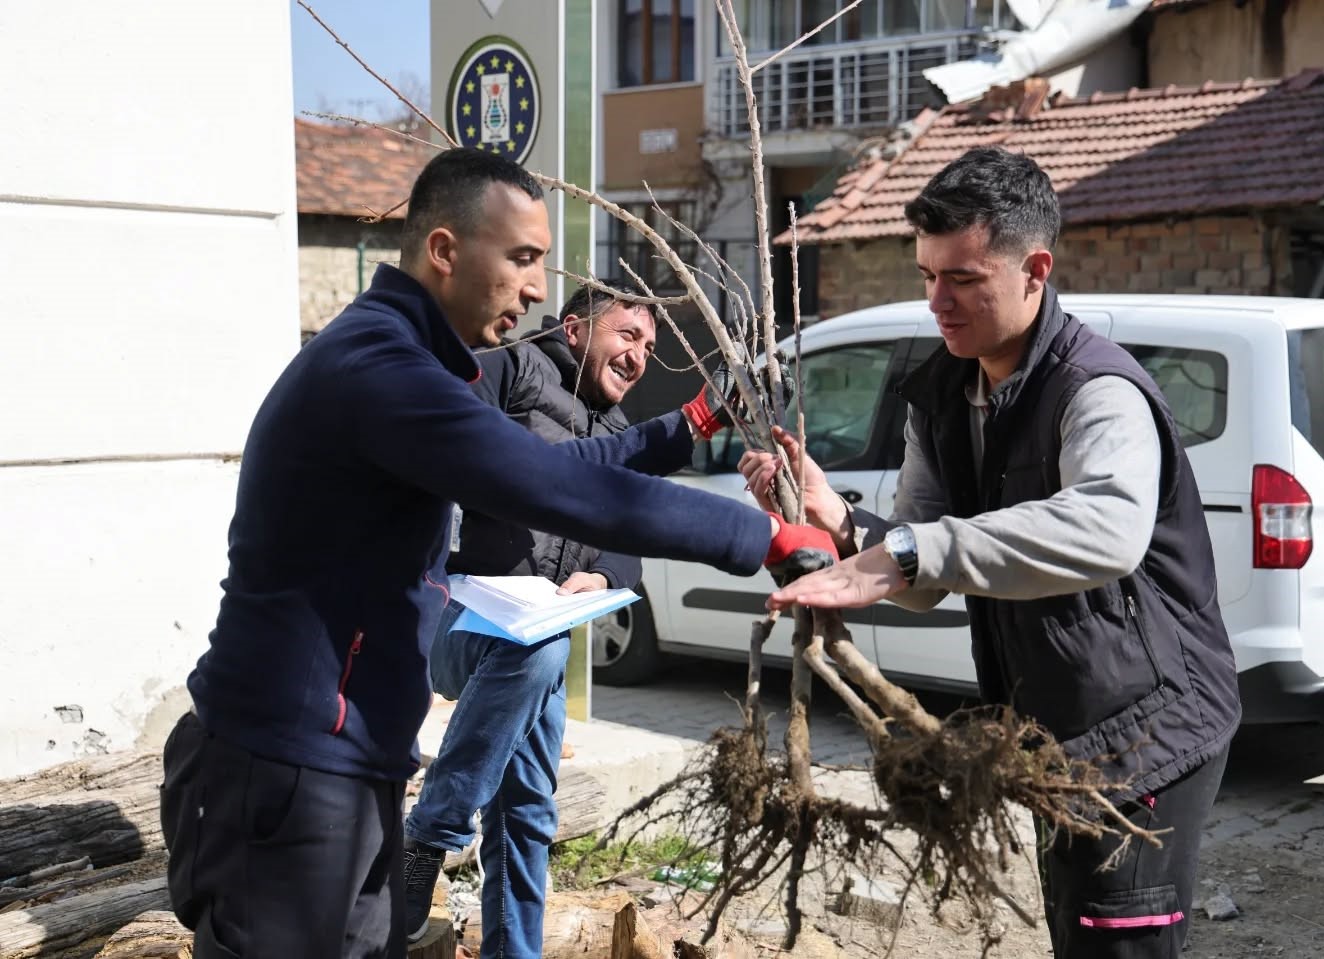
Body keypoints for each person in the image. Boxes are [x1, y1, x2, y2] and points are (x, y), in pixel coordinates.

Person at [157, 148, 834, 959]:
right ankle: (438, 832)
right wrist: (760, 536)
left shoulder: (406, 362)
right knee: (534, 657)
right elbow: (547, 480)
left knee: (525, 786)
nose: (539, 287)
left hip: (349, 761)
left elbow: (578, 482)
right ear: (445, 251)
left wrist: (692, 440)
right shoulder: (383, 371)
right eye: (522, 258)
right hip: (288, 772)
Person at [741, 146, 1240, 959]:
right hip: (1053, 728)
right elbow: (919, 579)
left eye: (964, 278)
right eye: (927, 275)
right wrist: (836, 516)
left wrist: (908, 552)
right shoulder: (942, 394)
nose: (938, 300)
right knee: (1075, 927)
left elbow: (1107, 529)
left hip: (1152, 724)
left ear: (1035, 269)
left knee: (1117, 942)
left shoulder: (1098, 390)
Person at [401, 281, 658, 948]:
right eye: (627, 336)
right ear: (574, 329)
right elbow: (438, 428)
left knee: (527, 812)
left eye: (650, 347)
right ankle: (432, 830)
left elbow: (630, 538)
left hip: (530, 640)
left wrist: (603, 572)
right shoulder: (513, 368)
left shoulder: (620, 434)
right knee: (543, 651)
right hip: (455, 621)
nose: (639, 356)